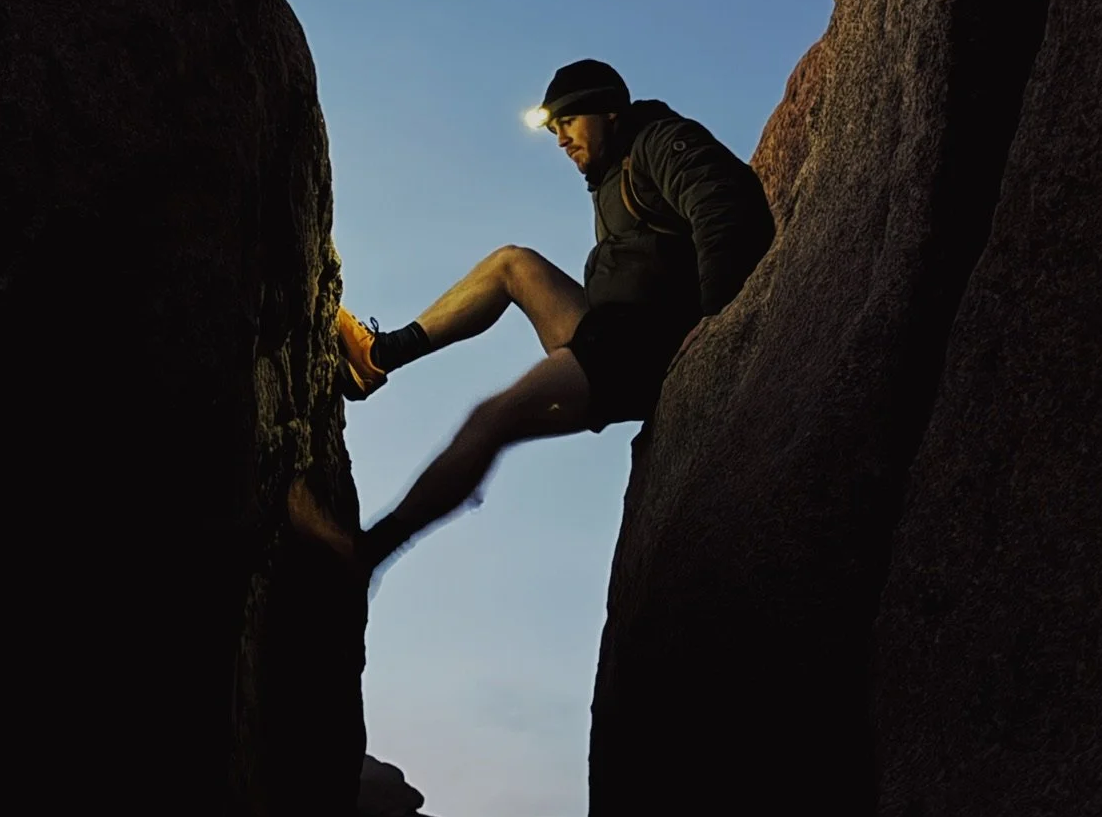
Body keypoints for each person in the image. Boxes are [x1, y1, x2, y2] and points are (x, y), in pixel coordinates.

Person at [300, 58, 774, 581]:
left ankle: (365, 553)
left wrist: (718, 326)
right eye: (554, 129)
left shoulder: (657, 140)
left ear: (608, 112)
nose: (561, 140)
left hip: (640, 348)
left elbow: (723, 202)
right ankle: (377, 356)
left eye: (568, 122)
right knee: (512, 265)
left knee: (492, 418)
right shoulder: (610, 176)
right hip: (610, 332)